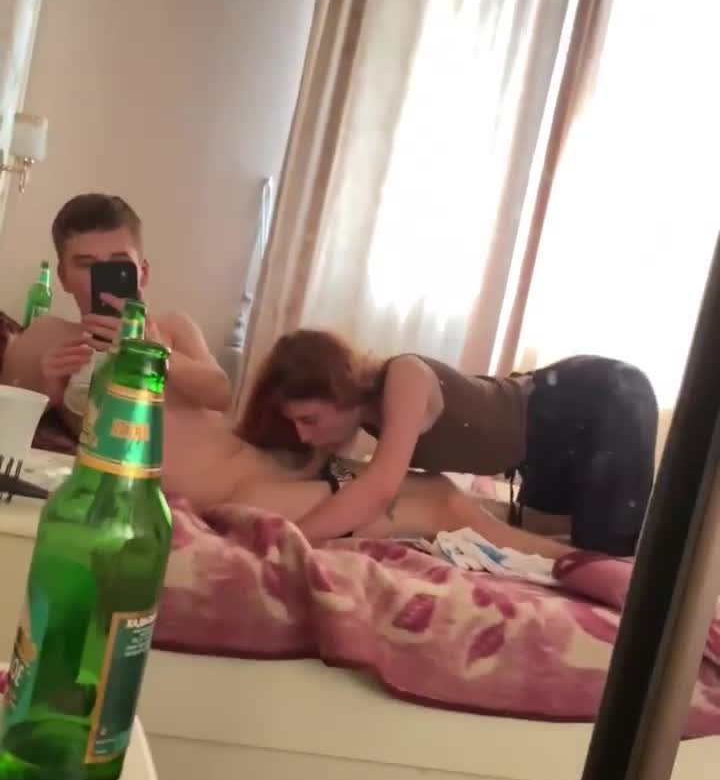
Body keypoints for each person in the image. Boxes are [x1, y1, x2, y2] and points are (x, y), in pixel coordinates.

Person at [1, 194, 564, 556]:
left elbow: (219, 394)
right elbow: (17, 429)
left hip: (266, 462)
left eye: (117, 265)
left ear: (142, 272)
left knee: (440, 495)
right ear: (64, 275)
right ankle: (566, 562)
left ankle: (569, 560)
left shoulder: (169, 328)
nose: (101, 278)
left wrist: (155, 352)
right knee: (440, 502)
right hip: (237, 492)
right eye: (85, 265)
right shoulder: (47, 338)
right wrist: (48, 384)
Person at [239, 329, 659, 556]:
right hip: (546, 442)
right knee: (555, 544)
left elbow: (380, 486)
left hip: (599, 396)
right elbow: (344, 488)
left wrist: (288, 538)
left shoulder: (404, 377)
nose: (304, 435)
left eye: (310, 420)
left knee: (610, 555)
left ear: (342, 389)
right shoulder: (365, 423)